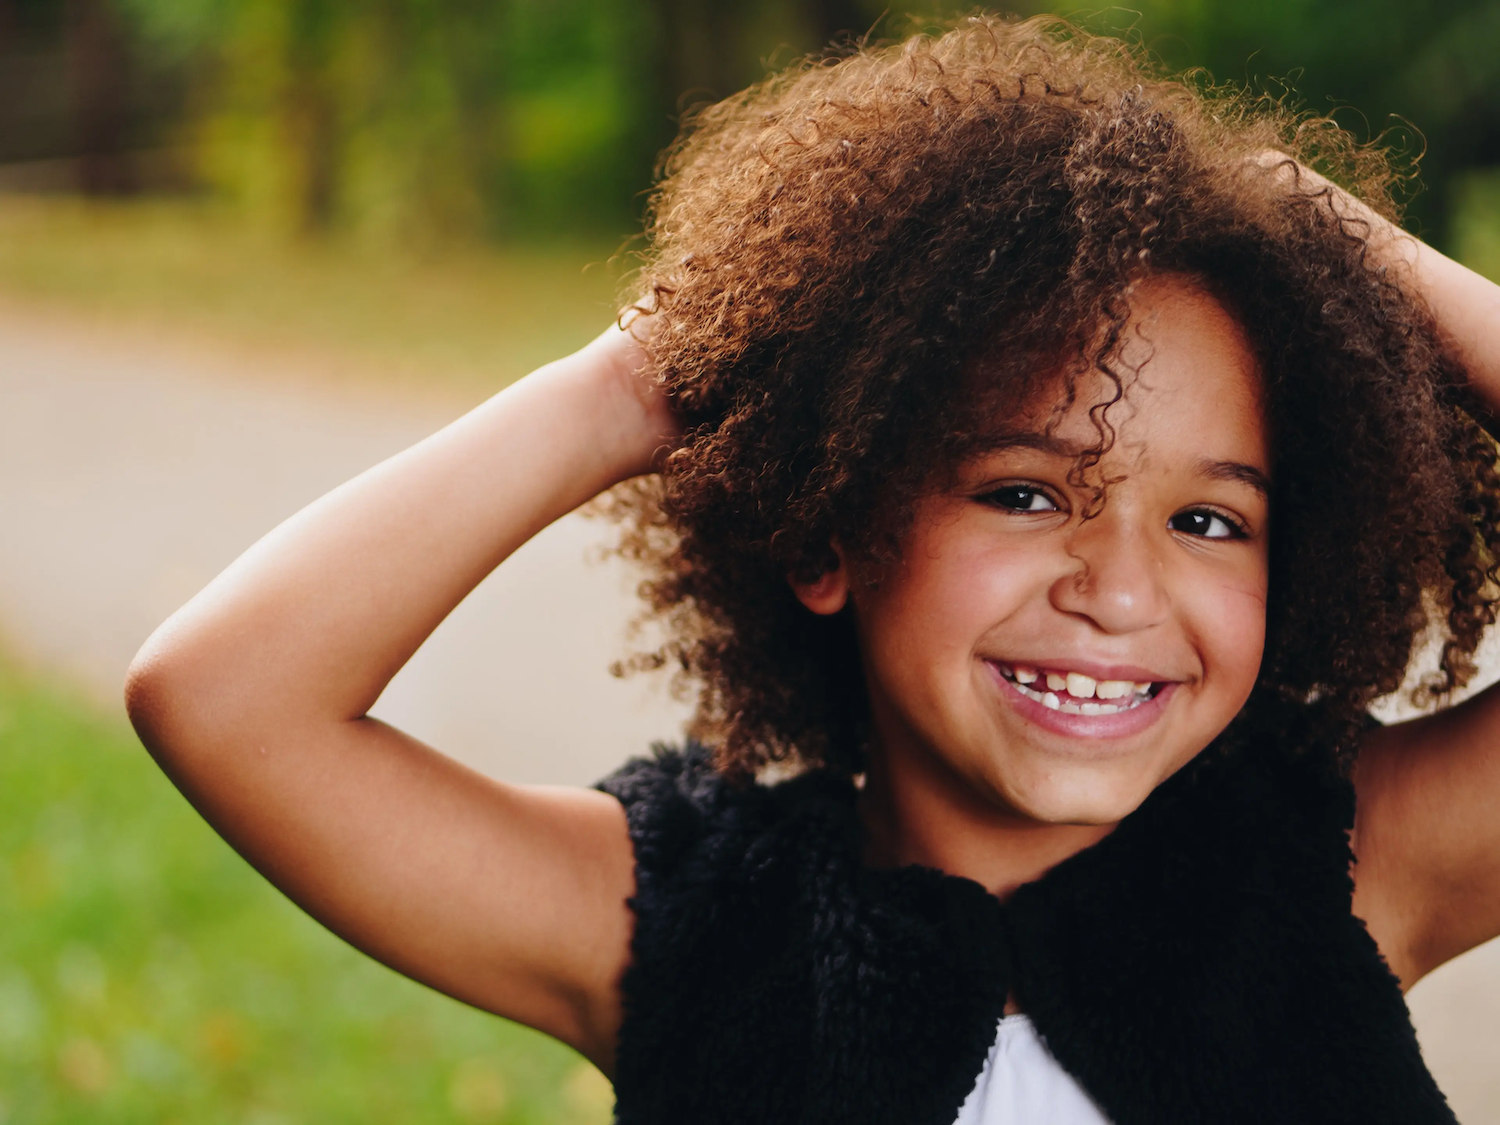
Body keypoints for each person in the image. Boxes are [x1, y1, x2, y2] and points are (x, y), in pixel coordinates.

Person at [125, 15, 1500, 1124]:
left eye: (1211, 521)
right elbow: (226, 698)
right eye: (1024, 494)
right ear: (825, 529)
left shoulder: (1350, 867)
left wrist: (1349, 248)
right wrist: (645, 378)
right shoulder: (678, 923)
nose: (1121, 593)